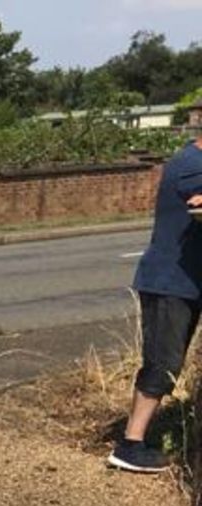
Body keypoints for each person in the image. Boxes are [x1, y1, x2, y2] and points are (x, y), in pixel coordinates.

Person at [112, 138, 202, 473]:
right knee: (163, 362)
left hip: (186, 281)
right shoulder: (192, 165)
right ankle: (130, 444)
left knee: (167, 361)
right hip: (170, 283)